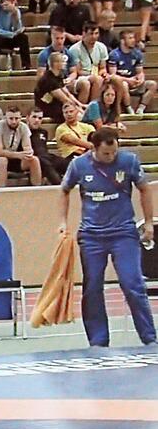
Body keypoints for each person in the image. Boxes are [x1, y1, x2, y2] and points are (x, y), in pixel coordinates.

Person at [59, 127, 157, 348]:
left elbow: (145, 189)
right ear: (94, 149)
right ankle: (98, 341)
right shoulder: (78, 165)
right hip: (92, 236)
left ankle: (150, 338)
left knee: (133, 284)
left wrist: (148, 221)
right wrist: (63, 222)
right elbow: (64, 190)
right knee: (92, 287)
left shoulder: (129, 161)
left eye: (114, 152)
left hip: (123, 233)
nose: (111, 157)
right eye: (105, 154)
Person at [0, 106, 42, 187]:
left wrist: (28, 153)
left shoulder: (23, 127)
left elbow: (27, 147)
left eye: (16, 118)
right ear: (5, 118)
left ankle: (37, 189)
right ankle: (1, 191)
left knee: (34, 160)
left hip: (13, 158)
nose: (14, 122)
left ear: (20, 118)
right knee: (2, 161)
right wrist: (18, 155)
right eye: (11, 118)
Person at [109, 30, 157, 115]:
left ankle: (141, 109)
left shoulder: (137, 53)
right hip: (121, 83)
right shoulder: (114, 54)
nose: (133, 40)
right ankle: (129, 109)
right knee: (124, 84)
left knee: (153, 84)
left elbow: (140, 71)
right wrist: (128, 80)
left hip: (134, 82)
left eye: (133, 38)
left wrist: (141, 78)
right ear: (122, 41)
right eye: (130, 38)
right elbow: (113, 75)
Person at [34, 51, 85, 123]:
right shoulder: (48, 79)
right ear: (56, 63)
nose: (65, 63)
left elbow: (68, 94)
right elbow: (64, 99)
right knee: (79, 116)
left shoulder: (58, 75)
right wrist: (80, 111)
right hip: (48, 107)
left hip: (57, 104)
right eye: (62, 61)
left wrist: (80, 105)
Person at [68, 21, 111, 104]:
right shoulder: (75, 49)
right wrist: (93, 75)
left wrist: (104, 73)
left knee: (115, 80)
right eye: (91, 34)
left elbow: (102, 68)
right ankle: (88, 108)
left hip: (95, 75)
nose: (94, 37)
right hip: (80, 77)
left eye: (96, 33)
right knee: (93, 81)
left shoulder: (101, 47)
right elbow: (78, 71)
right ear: (84, 34)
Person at [27, 107, 67, 184]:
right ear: (27, 118)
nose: (37, 120)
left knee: (67, 163)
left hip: (46, 156)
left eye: (40, 118)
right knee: (44, 162)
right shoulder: (24, 132)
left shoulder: (44, 132)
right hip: (34, 158)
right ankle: (59, 185)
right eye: (34, 117)